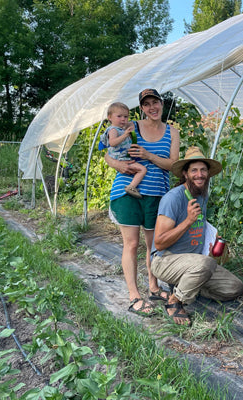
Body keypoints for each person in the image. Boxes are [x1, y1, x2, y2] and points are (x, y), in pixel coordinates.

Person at [104, 88, 179, 317]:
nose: (152, 107)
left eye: (155, 102)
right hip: (126, 191)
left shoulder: (172, 132)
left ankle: (154, 288)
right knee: (132, 244)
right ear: (142, 108)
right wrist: (118, 165)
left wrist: (148, 156)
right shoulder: (131, 125)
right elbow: (108, 152)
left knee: (153, 245)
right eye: (146, 104)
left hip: (156, 194)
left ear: (161, 104)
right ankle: (134, 295)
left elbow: (173, 164)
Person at [151, 146, 243, 325]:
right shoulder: (173, 199)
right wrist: (188, 221)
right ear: (185, 174)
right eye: (194, 170)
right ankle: (175, 301)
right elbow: (159, 242)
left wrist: (212, 242)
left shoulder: (201, 195)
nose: (199, 175)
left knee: (235, 287)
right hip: (165, 261)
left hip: (192, 261)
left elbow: (200, 229)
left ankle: (188, 287)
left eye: (203, 170)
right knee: (206, 264)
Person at [101, 102, 147, 198]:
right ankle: (131, 187)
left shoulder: (120, 129)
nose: (123, 119)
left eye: (126, 117)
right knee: (142, 169)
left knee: (138, 169)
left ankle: (132, 186)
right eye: (119, 116)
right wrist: (125, 135)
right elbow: (112, 142)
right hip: (121, 158)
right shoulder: (113, 130)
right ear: (109, 117)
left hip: (123, 157)